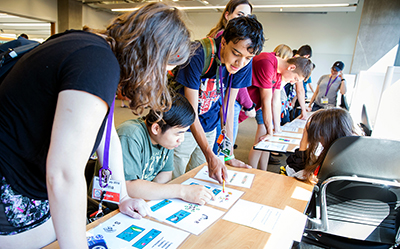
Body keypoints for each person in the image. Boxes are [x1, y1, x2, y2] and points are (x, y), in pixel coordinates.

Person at [0, 3, 191, 248]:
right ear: (150, 56)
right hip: (14, 179)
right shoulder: (98, 64)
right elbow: (64, 174)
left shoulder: (95, 49)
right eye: (165, 68)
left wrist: (121, 195)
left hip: (26, 168)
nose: (162, 78)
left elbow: (105, 131)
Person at [173, 15, 265, 183]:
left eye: (248, 58)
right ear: (223, 42)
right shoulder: (198, 53)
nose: (240, 63)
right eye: (236, 53)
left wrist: (228, 154)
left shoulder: (244, 62)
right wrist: (210, 154)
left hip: (208, 124)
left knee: (200, 177)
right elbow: (191, 111)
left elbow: (229, 109)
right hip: (181, 126)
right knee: (176, 179)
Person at [117, 94, 214, 205]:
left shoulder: (166, 141)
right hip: (112, 208)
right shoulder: (130, 135)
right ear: (156, 128)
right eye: (178, 133)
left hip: (141, 202)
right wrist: (181, 191)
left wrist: (149, 193)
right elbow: (129, 187)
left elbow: (165, 174)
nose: (181, 139)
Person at [247, 52, 313, 170]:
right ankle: (250, 170)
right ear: (291, 67)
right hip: (241, 104)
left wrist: (276, 129)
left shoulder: (278, 74)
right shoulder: (267, 63)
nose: (292, 82)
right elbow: (266, 101)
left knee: (267, 140)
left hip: (251, 106)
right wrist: (270, 131)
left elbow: (275, 101)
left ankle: (262, 171)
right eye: (295, 78)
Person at [207, 0, 255, 153]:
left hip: (218, 100)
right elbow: (235, 83)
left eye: (248, 16)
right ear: (227, 15)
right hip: (215, 98)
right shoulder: (222, 39)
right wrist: (249, 105)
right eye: (240, 15)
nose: (243, 19)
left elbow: (237, 80)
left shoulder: (241, 48)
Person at [281, 108, 356, 183]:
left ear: (328, 134)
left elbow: (294, 175)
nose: (318, 139)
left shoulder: (330, 164)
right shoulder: (350, 154)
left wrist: (304, 142)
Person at [291, 45, 314, 120]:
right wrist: (303, 110)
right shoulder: (298, 63)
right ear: (307, 56)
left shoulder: (291, 59)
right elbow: (300, 89)